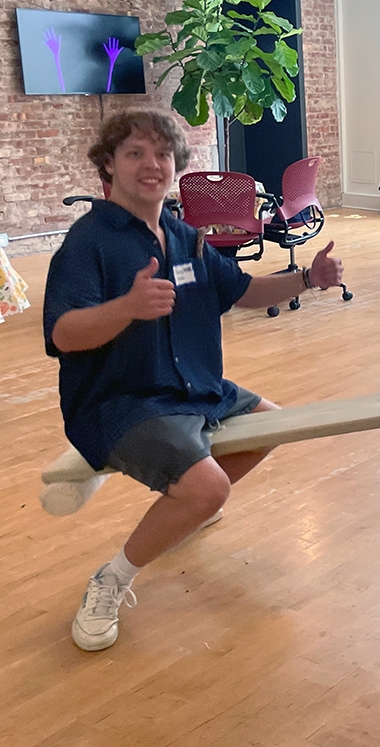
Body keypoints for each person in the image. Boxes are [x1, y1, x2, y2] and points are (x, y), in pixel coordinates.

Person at [44, 110, 345, 651]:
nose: (150, 164)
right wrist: (128, 307)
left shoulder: (186, 237)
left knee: (274, 424)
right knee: (210, 487)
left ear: (176, 165)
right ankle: (111, 578)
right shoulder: (88, 242)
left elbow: (242, 291)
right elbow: (64, 334)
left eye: (161, 154)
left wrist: (305, 277)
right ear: (108, 166)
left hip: (193, 388)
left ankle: (184, 505)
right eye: (134, 153)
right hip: (122, 399)